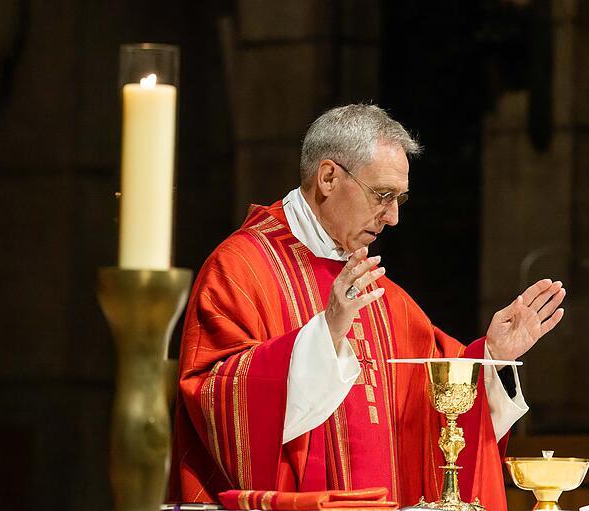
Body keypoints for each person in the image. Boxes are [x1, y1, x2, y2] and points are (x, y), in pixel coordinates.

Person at [168, 104, 566, 510]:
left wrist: (493, 357)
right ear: (328, 177)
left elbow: (434, 405)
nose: (393, 217)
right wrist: (327, 334)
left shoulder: (381, 295)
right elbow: (214, 401)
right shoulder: (241, 269)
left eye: (400, 199)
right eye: (382, 195)